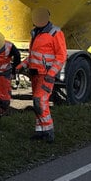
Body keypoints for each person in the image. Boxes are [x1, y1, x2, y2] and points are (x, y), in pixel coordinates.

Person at [17, 7, 67, 143]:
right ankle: (40, 132)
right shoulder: (35, 33)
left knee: (40, 101)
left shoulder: (55, 33)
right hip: (35, 74)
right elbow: (33, 56)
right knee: (37, 103)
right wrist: (19, 67)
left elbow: (61, 56)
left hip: (46, 75)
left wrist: (51, 74)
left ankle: (49, 132)